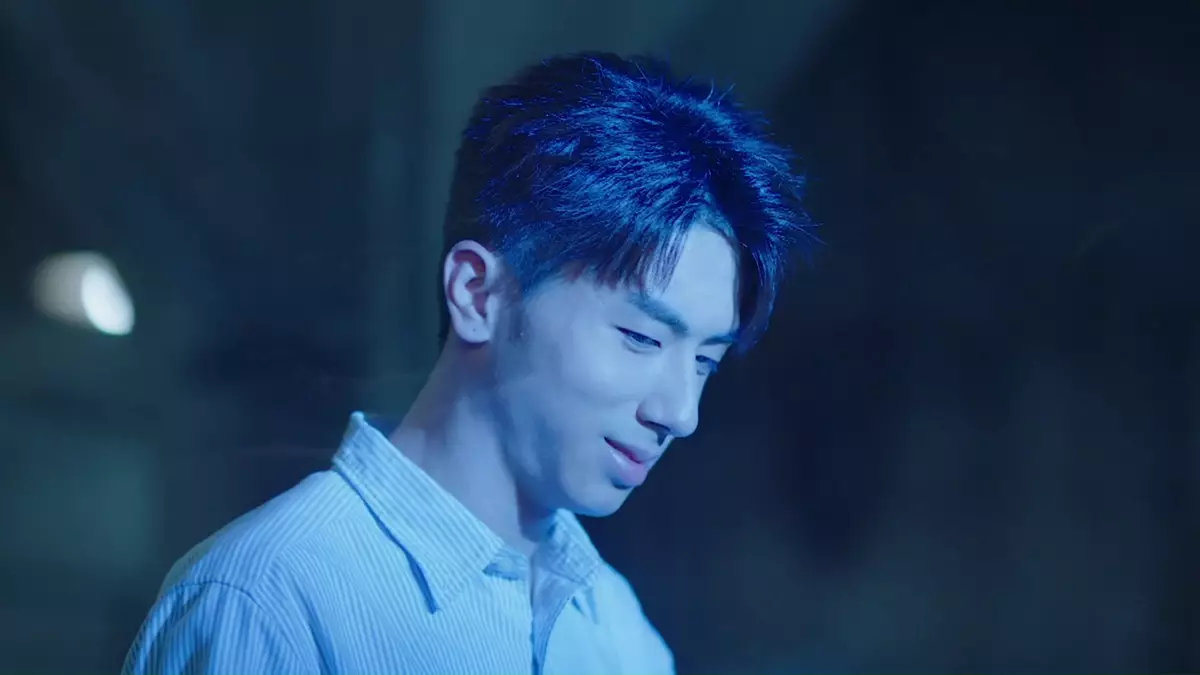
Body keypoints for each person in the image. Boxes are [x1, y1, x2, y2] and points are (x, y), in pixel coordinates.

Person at [122, 51, 812, 675]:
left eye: (706, 362)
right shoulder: (270, 601)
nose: (680, 413)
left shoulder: (621, 634)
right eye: (641, 337)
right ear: (478, 294)